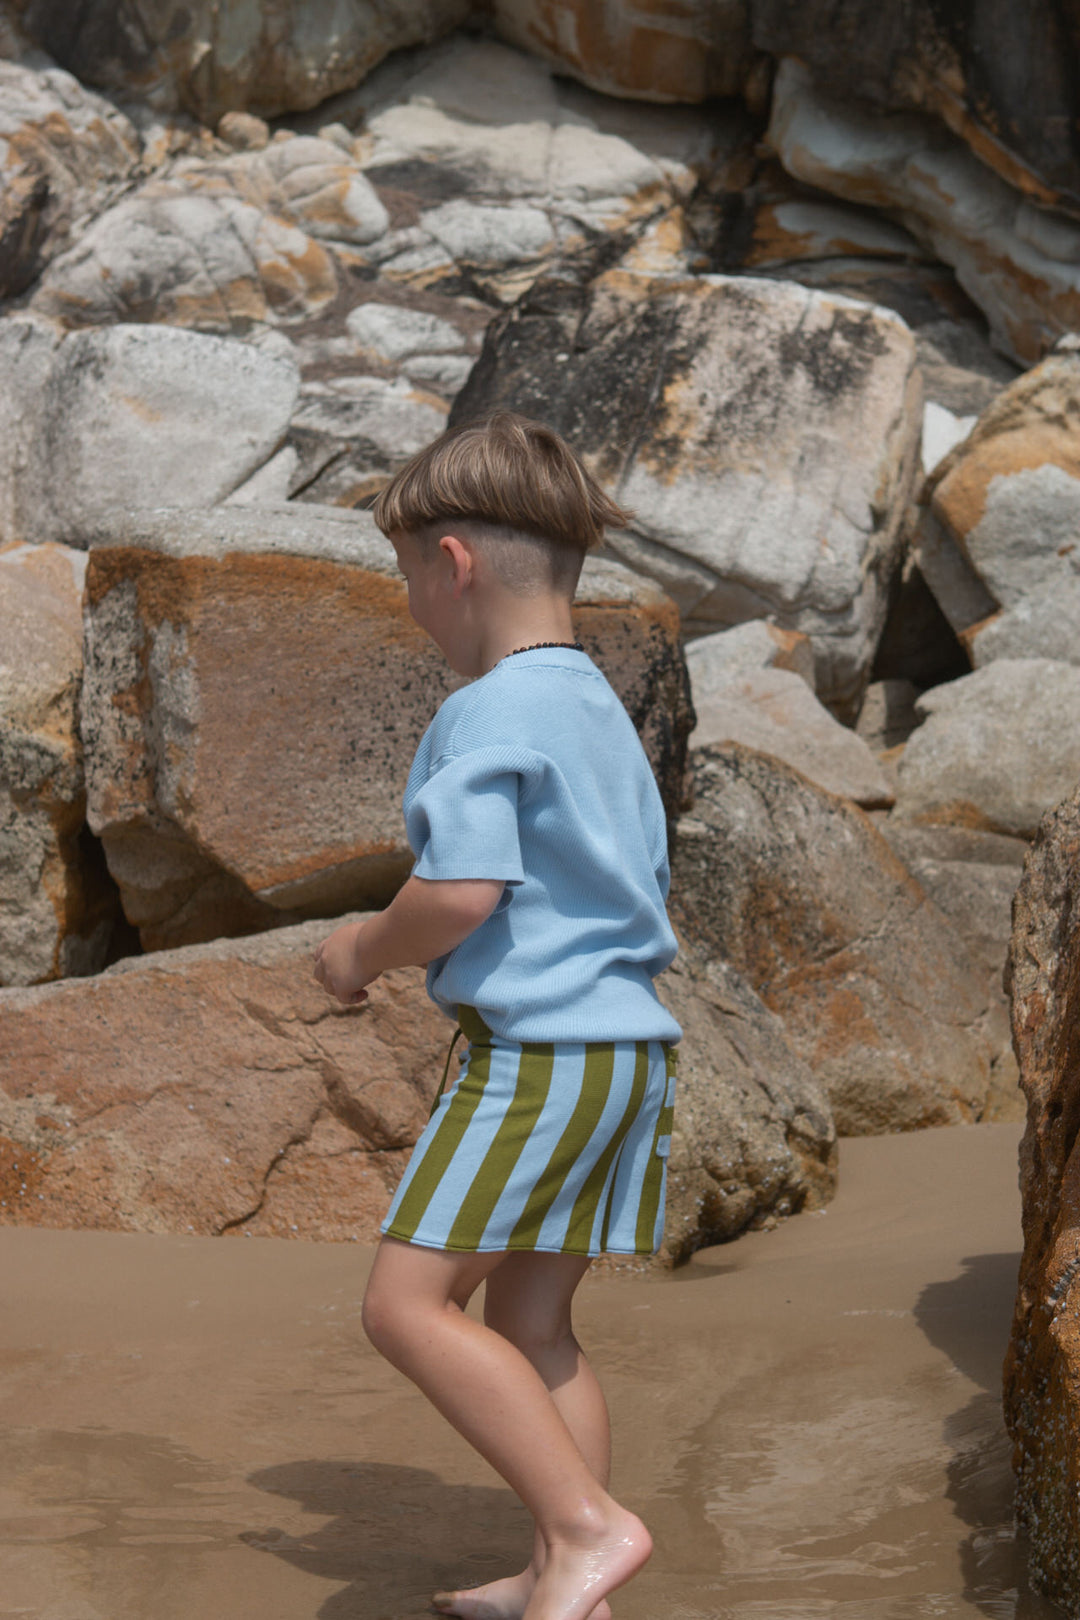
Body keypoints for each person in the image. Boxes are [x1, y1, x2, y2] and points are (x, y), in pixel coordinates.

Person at [313, 411, 681, 1620]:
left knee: (404, 1307)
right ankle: (556, 1571)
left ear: (452, 562)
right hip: (629, 1053)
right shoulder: (593, 706)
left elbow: (461, 893)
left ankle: (585, 1531)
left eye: (408, 574)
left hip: (539, 1056)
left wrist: (361, 949)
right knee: (536, 1324)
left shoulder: (484, 711)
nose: (412, 603)